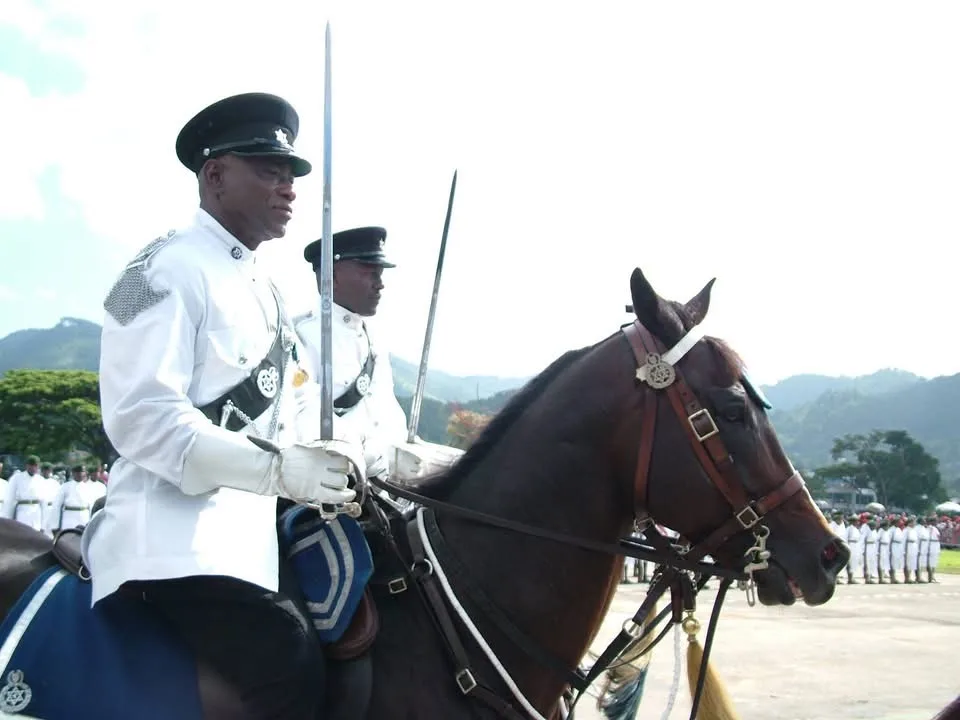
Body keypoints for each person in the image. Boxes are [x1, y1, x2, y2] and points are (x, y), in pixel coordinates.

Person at [80, 92, 364, 720]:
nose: (288, 188)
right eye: (269, 170)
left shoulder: (262, 285)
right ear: (215, 175)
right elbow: (140, 414)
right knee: (284, 665)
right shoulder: (160, 267)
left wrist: (366, 457)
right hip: (171, 541)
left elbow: (296, 409)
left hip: (248, 539)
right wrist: (276, 468)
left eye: (290, 175)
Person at [295, 227, 463, 484]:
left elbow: (387, 414)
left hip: (385, 488)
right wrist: (378, 456)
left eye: (381, 273)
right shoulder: (302, 336)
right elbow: (301, 420)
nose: (380, 283)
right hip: (333, 486)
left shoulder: (373, 340)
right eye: (370, 272)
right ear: (334, 276)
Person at [45, 464, 106, 534]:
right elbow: (57, 506)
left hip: (84, 518)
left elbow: (91, 507)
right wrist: (54, 525)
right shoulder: (65, 487)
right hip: (69, 519)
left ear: (85, 473)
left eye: (82, 472)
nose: (79, 474)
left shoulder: (88, 487)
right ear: (73, 473)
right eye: (77, 472)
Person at [1, 455, 55, 533]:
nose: (33, 468)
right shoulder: (17, 478)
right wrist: (8, 520)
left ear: (38, 467)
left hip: (36, 513)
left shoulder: (41, 480)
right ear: (26, 466)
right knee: (22, 534)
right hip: (22, 511)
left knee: (35, 537)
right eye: (31, 465)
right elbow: (9, 500)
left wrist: (43, 525)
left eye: (35, 466)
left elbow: (44, 503)